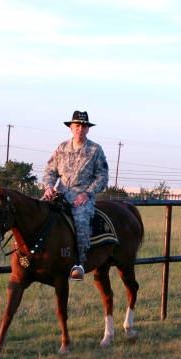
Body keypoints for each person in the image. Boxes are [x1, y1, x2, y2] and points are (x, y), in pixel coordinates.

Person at [42, 110, 109, 281]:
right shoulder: (62, 148)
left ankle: (78, 263)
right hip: (61, 193)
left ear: (88, 129)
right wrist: (49, 187)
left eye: (84, 126)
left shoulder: (95, 150)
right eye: (77, 125)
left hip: (82, 197)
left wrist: (88, 193)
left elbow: (102, 176)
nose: (80, 128)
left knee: (81, 221)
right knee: (38, 211)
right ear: (71, 127)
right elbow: (50, 170)